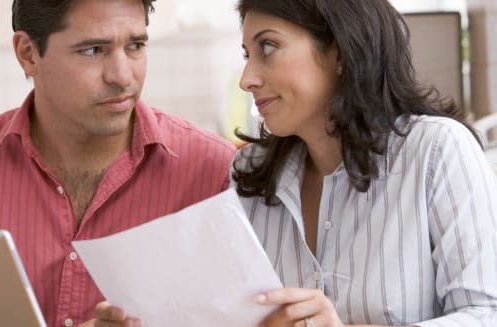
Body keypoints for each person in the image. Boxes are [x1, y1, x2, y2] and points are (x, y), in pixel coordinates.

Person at [94, 0, 497, 326]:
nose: (247, 78)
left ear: (339, 50)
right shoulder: (248, 176)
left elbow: (486, 313)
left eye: (268, 47)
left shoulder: (437, 151)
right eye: (248, 55)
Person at [0, 0, 235, 326]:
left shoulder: (216, 174)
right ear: (28, 54)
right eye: (93, 50)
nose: (122, 76)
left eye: (135, 46)